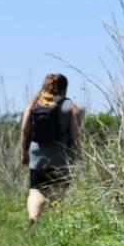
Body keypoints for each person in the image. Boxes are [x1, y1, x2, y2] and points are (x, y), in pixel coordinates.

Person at [20, 73, 82, 228]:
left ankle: (33, 218)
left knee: (36, 191)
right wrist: (79, 154)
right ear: (65, 88)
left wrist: (24, 152)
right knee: (58, 190)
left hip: (37, 156)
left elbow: (24, 130)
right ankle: (55, 224)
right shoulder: (70, 106)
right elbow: (76, 134)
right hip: (61, 156)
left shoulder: (34, 104)